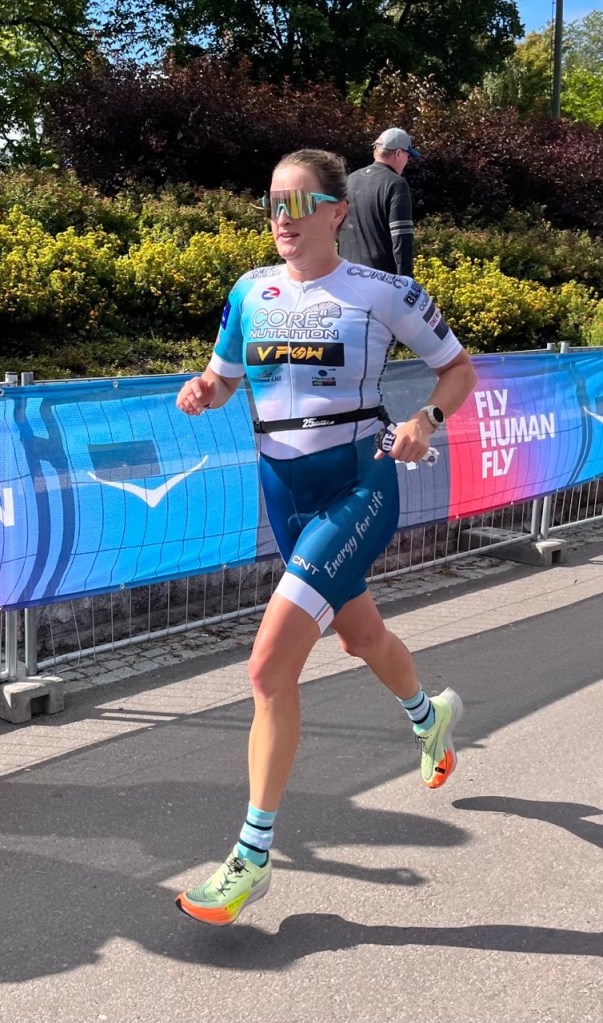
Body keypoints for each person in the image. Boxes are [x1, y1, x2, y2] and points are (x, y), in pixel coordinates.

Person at [174, 148, 476, 927]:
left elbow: (457, 369)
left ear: (337, 212)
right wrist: (204, 389)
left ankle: (251, 856)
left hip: (355, 484)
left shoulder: (380, 292)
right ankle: (429, 717)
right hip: (282, 493)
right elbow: (224, 376)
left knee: (268, 666)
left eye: (298, 203)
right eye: (272, 202)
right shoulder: (249, 290)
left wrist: (423, 420)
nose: (282, 217)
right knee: (358, 634)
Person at [337, 127, 420, 276]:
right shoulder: (396, 184)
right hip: (379, 279)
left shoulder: (349, 180)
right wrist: (405, 282)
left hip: (346, 274)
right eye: (408, 155)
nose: (407, 161)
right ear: (398, 153)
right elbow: (401, 239)